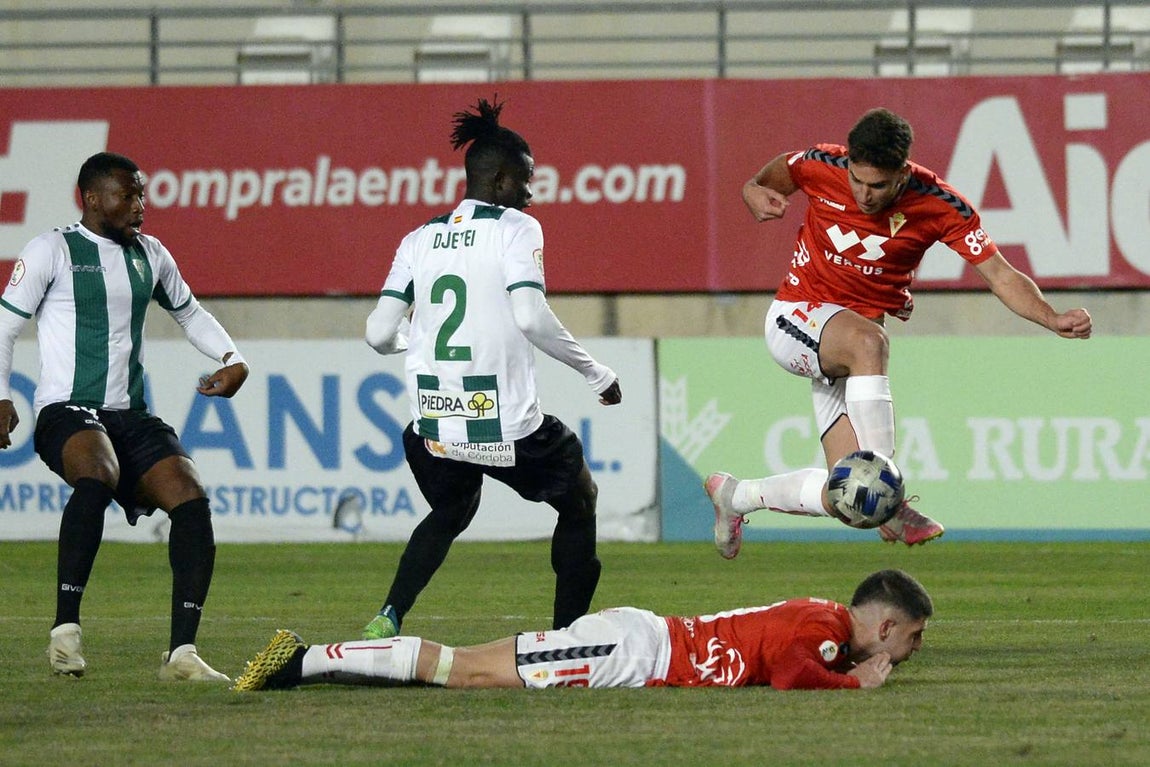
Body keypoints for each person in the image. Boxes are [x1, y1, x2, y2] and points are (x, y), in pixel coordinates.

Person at [709, 107, 1093, 557]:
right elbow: (774, 175)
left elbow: (1000, 274)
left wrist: (1051, 317)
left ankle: (735, 497)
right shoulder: (821, 164)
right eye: (857, 181)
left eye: (878, 186)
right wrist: (752, 190)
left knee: (850, 501)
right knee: (871, 343)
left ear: (903, 175)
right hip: (795, 316)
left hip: (848, 350)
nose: (865, 195)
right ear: (848, 162)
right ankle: (894, 503)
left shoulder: (939, 203)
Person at [360, 98, 622, 641]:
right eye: (526, 182)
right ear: (501, 181)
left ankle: (389, 613)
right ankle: (566, 638)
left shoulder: (418, 239)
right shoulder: (516, 229)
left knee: (452, 509)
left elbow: (378, 333)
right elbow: (530, 315)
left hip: (434, 424)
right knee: (580, 502)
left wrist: (416, 343)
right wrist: (596, 372)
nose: (531, 194)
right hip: (508, 427)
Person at [0, 151, 249, 681]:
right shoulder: (52, 249)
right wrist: (1, 397)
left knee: (190, 496)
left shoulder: (151, 254)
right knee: (97, 474)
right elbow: (5, 326)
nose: (140, 205)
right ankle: (65, 632)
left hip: (127, 412)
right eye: (128, 194)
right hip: (65, 410)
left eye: (142, 193)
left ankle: (182, 654)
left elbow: (189, 312)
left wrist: (232, 357)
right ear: (92, 199)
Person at [234, 568, 931, 692]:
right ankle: (301, 660)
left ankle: (307, 661)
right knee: (463, 670)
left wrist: (843, 674)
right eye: (914, 637)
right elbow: (789, 671)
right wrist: (852, 686)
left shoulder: (825, 622)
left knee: (465, 667)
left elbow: (790, 661)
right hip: (628, 651)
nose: (912, 650)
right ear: (890, 624)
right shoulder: (825, 628)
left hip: (636, 643)